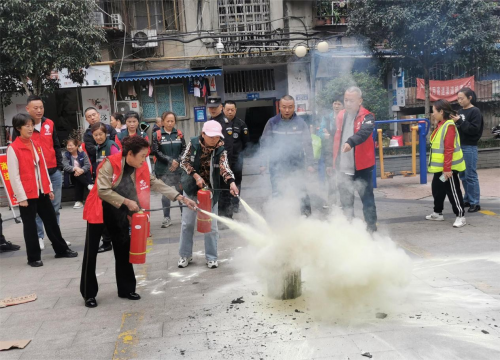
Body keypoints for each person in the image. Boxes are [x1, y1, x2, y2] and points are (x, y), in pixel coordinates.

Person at [80, 136, 196, 308]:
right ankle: (89, 294)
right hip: (99, 208)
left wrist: (180, 197)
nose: (144, 160)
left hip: (118, 210)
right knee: (91, 253)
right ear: (130, 154)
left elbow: (155, 183)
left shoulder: (139, 166)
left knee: (123, 249)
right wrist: (127, 202)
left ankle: (126, 289)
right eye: (142, 156)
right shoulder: (110, 163)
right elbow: (103, 191)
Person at [7, 113, 78, 267]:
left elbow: (43, 169)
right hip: (27, 194)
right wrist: (21, 197)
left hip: (42, 191)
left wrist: (49, 188)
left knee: (52, 222)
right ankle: (33, 258)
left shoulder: (35, 144)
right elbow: (14, 175)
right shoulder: (13, 148)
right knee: (30, 226)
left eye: (32, 125)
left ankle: (61, 250)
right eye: (27, 125)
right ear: (18, 128)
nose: (31, 128)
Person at [178, 120, 239, 269]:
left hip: (211, 191)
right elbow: (183, 162)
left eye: (216, 136)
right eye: (210, 136)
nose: (214, 139)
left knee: (211, 226)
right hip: (191, 188)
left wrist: (231, 182)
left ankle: (212, 257)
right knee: (187, 223)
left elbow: (224, 167)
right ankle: (185, 255)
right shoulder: (193, 144)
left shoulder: (221, 149)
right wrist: (195, 175)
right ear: (203, 134)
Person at [12, 95, 66, 250]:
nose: (39, 110)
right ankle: (39, 237)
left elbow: (56, 144)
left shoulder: (49, 123)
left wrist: (59, 165)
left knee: (54, 208)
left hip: (53, 171)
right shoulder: (23, 127)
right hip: (34, 175)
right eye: (35, 108)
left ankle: (57, 238)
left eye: (41, 107)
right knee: (36, 211)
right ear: (27, 109)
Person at [326, 87, 377, 232]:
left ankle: (372, 230)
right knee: (346, 202)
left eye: (351, 101)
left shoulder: (368, 117)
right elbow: (334, 140)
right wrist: (332, 162)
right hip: (343, 168)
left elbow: (364, 133)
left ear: (360, 101)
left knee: (367, 200)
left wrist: (350, 142)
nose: (347, 104)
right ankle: (350, 230)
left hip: (362, 168)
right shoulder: (340, 116)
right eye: (346, 100)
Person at [260, 95, 315, 216]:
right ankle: (281, 218)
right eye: (284, 107)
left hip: (297, 164)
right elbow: (265, 143)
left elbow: (308, 144)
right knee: (278, 192)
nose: (287, 110)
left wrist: (311, 164)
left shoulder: (301, 123)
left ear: (294, 107)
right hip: (277, 165)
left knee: (301, 191)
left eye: (290, 107)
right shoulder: (272, 122)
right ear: (279, 107)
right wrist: (263, 164)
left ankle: (307, 218)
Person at [426, 99, 467, 228]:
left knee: (453, 191)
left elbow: (449, 148)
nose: (433, 114)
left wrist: (447, 169)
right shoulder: (441, 124)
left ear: (441, 111)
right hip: (440, 168)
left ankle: (460, 215)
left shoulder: (448, 125)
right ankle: (438, 213)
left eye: (434, 111)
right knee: (437, 189)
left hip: (448, 167)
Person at [451, 87, 483, 213]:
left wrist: (459, 121)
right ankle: (468, 199)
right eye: (458, 98)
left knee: (470, 175)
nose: (459, 101)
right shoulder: (460, 111)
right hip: (459, 146)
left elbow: (474, 130)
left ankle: (475, 202)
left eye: (461, 98)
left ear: (469, 98)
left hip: (469, 146)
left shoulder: (475, 111)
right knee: (463, 175)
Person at [151, 111, 186, 228]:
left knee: (181, 192)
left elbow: (185, 150)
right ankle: (167, 218)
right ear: (163, 121)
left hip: (178, 169)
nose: (170, 123)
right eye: (168, 121)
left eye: (172, 121)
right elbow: (156, 151)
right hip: (163, 169)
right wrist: (171, 161)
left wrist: (177, 161)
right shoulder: (157, 135)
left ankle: (184, 216)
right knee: (165, 194)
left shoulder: (179, 134)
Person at [91, 122, 120, 253]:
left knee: (108, 215)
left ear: (106, 134)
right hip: (101, 185)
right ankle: (108, 241)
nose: (98, 137)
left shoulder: (111, 146)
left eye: (100, 134)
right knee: (103, 214)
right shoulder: (98, 147)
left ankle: (109, 241)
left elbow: (118, 165)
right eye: (95, 135)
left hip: (110, 187)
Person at [206, 96, 236, 219]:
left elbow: (228, 146)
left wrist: (224, 163)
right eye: (210, 107)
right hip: (213, 161)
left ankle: (227, 216)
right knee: (216, 188)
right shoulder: (209, 121)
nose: (212, 110)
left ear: (221, 108)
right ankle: (219, 214)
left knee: (225, 189)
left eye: (215, 107)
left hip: (223, 161)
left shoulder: (225, 123)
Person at [223, 100, 249, 213]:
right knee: (224, 182)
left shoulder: (241, 124)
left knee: (237, 182)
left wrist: (241, 155)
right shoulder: (220, 124)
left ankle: (235, 205)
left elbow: (246, 142)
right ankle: (225, 205)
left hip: (237, 159)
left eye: (232, 110)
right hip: (223, 160)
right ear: (223, 110)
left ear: (236, 110)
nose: (230, 112)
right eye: (227, 110)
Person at [318, 98, 344, 208]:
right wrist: (325, 135)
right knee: (331, 175)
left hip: (342, 151)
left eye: (339, 104)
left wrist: (331, 134)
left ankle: (343, 201)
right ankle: (331, 201)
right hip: (329, 151)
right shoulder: (327, 118)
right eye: (335, 103)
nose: (336, 106)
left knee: (343, 177)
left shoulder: (345, 117)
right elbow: (320, 132)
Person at [82, 107, 117, 177]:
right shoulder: (87, 134)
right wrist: (106, 149)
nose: (92, 118)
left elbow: (116, 143)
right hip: (97, 164)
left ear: (98, 115)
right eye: (89, 117)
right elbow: (91, 150)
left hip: (113, 161)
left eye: (94, 115)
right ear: (86, 119)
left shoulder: (109, 128)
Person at [62, 138, 93, 209]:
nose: (69, 147)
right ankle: (88, 185)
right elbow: (65, 166)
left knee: (78, 178)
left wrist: (81, 170)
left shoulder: (82, 153)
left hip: (83, 174)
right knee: (76, 175)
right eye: (68, 145)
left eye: (71, 145)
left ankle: (79, 201)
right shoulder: (66, 155)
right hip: (72, 176)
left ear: (76, 146)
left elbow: (87, 165)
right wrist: (75, 168)